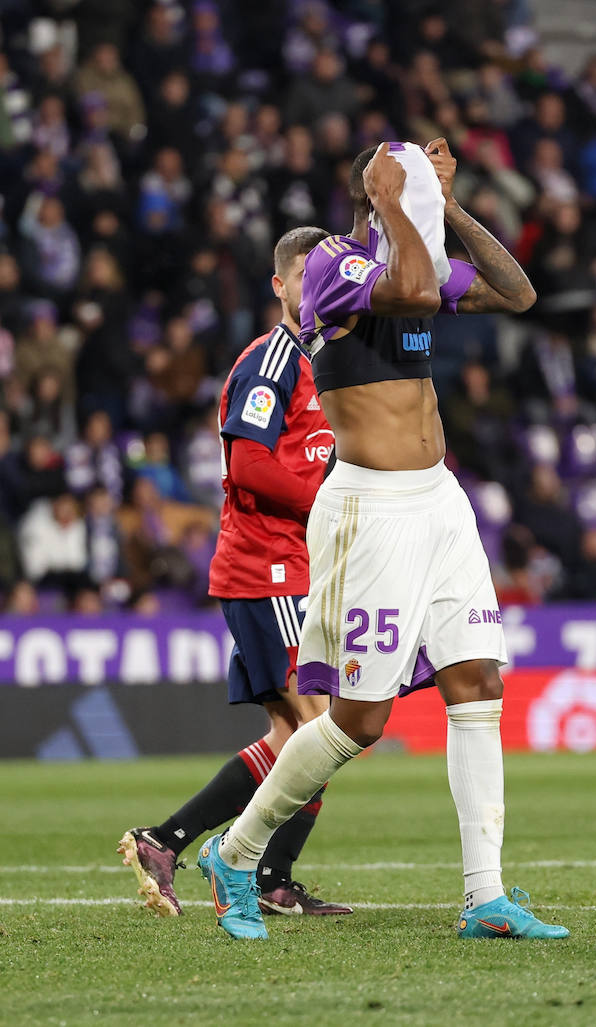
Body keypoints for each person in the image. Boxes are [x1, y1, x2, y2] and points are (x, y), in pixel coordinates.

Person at [196, 142, 567, 941]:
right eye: (415, 194)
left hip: (439, 499)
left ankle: (485, 895)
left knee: (478, 681)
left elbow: (518, 292)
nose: (426, 211)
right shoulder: (334, 264)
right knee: (358, 722)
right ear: (375, 192)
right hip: (372, 509)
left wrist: (453, 208)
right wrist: (393, 202)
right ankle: (236, 853)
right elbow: (414, 288)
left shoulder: (416, 252)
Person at [117, 228, 350, 919]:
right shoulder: (274, 360)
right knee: (323, 731)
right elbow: (246, 464)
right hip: (267, 566)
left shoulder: (326, 362)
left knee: (296, 737)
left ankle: (173, 843)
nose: (319, 286)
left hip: (293, 565)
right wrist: (326, 506)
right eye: (305, 275)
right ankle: (246, 864)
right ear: (279, 286)